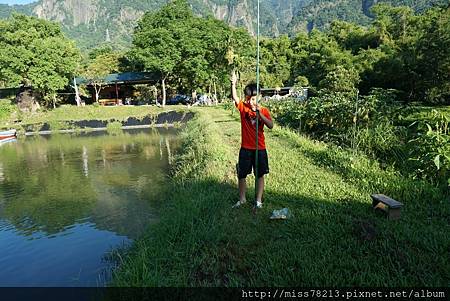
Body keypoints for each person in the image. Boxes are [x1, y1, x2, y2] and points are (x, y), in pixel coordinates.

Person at [230, 71, 273, 209]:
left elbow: (271, 125)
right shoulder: (244, 108)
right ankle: (242, 199)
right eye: (248, 98)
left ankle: (258, 200)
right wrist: (233, 83)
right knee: (242, 174)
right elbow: (235, 97)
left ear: (259, 97)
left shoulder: (264, 110)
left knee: (260, 175)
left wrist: (261, 115)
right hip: (246, 148)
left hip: (259, 148)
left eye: (254, 99)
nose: (251, 101)